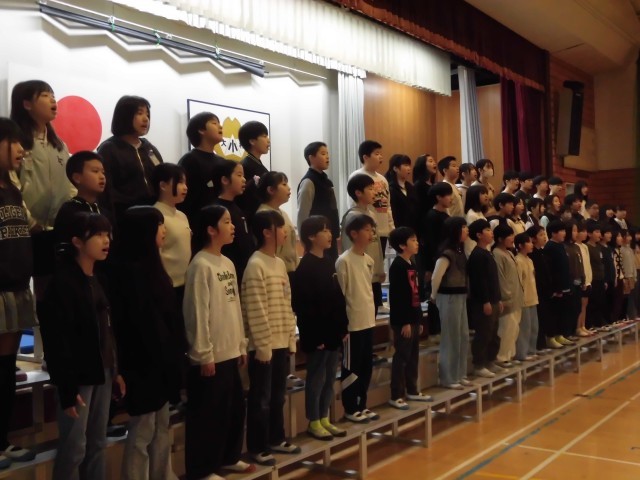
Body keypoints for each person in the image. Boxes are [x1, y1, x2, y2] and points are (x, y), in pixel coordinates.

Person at [41, 212, 123, 480]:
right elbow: (56, 341)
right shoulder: (62, 284)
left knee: (97, 443)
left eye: (107, 234)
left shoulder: (100, 279)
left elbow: (108, 329)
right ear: (77, 241)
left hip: (104, 370)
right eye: (98, 235)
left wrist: (116, 369)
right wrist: (66, 386)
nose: (106, 240)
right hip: (78, 376)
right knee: (74, 447)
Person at [109, 206, 185, 480]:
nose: (163, 230)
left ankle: (163, 475)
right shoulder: (128, 272)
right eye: (158, 225)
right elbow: (133, 325)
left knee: (161, 426)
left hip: (161, 362)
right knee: (142, 431)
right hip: (141, 364)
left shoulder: (154, 267)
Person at [182, 205, 254, 480]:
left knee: (234, 409)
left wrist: (241, 344)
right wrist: (203, 354)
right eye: (226, 222)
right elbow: (197, 312)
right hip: (211, 355)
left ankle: (229, 457)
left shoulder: (228, 263)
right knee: (207, 415)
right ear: (211, 229)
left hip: (230, 351)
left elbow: (234, 307)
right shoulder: (200, 265)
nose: (233, 226)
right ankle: (202, 470)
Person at [242, 210, 299, 465]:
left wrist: (290, 339)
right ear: (267, 232)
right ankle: (258, 446)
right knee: (261, 399)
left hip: (280, 342)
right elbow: (255, 309)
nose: (285, 232)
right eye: (281, 227)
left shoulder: (279, 264)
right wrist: (263, 347)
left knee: (278, 396)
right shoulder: (255, 264)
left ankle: (277, 438)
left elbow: (287, 304)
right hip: (263, 347)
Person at [0, 118, 37, 469]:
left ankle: (3, 440)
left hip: (16, 289)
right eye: (14, 142)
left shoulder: (12, 187)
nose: (21, 150)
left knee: (5, 368)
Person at [10, 80, 74, 276]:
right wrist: (29, 221)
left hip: (57, 228)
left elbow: (70, 183)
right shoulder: (17, 143)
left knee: (53, 282)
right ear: (27, 104)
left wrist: (71, 213)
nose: (53, 100)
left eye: (53, 96)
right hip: (25, 230)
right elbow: (11, 184)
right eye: (45, 96)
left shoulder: (59, 145)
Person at [292, 216, 348, 439]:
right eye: (324, 230)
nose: (329, 234)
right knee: (316, 378)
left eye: (329, 230)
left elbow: (337, 298)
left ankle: (324, 417)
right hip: (318, 336)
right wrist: (316, 337)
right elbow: (303, 307)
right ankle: (313, 420)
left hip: (333, 333)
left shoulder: (328, 261)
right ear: (311, 236)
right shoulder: (305, 267)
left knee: (330, 377)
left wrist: (342, 328)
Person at [336, 214, 380, 420]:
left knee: (365, 365)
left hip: (368, 321)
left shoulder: (369, 260)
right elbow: (341, 294)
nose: (371, 234)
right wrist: (342, 325)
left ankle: (362, 404)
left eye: (372, 230)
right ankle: (350, 408)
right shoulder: (344, 261)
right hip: (352, 324)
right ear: (354, 234)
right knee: (351, 367)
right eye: (366, 230)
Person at [98, 96, 163, 228]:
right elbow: (105, 192)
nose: (146, 119)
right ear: (124, 116)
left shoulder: (149, 149)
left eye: (147, 114)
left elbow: (162, 178)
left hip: (153, 215)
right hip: (124, 219)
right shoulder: (109, 149)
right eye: (140, 113)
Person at [387, 227, 431, 409]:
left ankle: (412, 390)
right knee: (402, 356)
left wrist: (418, 319)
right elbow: (398, 297)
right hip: (402, 320)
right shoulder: (397, 266)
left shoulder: (411, 264)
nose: (417, 243)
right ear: (402, 245)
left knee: (413, 355)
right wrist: (405, 321)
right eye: (413, 240)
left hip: (413, 318)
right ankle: (396, 394)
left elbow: (415, 294)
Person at [430, 217, 471, 389]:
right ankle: (448, 377)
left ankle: (460, 374)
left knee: (463, 336)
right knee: (451, 337)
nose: (466, 230)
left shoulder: (460, 251)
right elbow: (436, 276)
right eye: (463, 227)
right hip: (448, 297)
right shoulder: (447, 253)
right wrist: (433, 296)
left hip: (460, 297)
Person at [341, 174, 385, 309]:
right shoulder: (352, 216)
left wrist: (380, 268)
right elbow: (349, 246)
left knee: (373, 310)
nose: (374, 192)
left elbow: (377, 244)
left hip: (373, 271)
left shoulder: (372, 215)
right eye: (370, 189)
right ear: (358, 193)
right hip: (360, 272)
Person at [151, 163, 191, 306]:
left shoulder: (182, 216)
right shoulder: (155, 215)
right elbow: (156, 254)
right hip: (167, 285)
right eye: (180, 182)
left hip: (185, 283)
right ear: (163, 185)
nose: (185, 187)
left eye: (185, 183)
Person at [54, 151, 113, 246]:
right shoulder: (69, 211)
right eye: (95, 171)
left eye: (103, 172)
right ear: (77, 178)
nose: (102, 176)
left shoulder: (104, 211)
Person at [177, 112, 225, 228]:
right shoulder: (190, 160)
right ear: (201, 130)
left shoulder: (222, 161)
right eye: (214, 123)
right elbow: (185, 198)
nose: (220, 126)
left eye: (219, 123)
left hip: (221, 221)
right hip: (198, 223)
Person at [467, 220, 502, 378]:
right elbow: (479, 282)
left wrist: (498, 299)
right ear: (479, 235)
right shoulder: (477, 255)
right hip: (483, 302)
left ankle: (490, 360)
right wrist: (485, 301)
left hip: (493, 299)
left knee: (493, 333)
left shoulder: (487, 253)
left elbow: (493, 279)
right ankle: (479, 364)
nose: (491, 232)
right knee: (483, 333)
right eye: (487, 230)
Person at [212, 159, 255, 282]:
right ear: (225, 180)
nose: (244, 179)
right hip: (227, 274)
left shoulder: (237, 208)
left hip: (244, 272)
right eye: (239, 175)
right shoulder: (217, 210)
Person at [296, 142, 340, 259]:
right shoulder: (308, 182)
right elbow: (302, 213)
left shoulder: (326, 181)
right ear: (311, 158)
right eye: (323, 153)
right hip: (316, 239)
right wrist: (304, 240)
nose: (327, 157)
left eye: (327, 154)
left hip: (329, 235)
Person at [349, 140, 394, 253]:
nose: (380, 157)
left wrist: (391, 228)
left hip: (383, 230)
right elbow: (354, 204)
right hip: (366, 231)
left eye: (381, 154)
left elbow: (388, 206)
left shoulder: (383, 179)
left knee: (379, 261)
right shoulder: (357, 176)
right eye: (376, 153)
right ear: (365, 157)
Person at [492, 224, 524, 367]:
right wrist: (506, 296)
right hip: (507, 299)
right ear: (500, 239)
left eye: (512, 235)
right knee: (506, 329)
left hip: (516, 297)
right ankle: (501, 357)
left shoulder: (509, 253)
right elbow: (500, 278)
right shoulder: (497, 254)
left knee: (514, 329)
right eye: (509, 236)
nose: (512, 238)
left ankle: (510, 355)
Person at [256, 172, 299, 277]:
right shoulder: (263, 215)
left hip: (291, 269)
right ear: (271, 190)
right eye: (284, 184)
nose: (289, 188)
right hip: (275, 271)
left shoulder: (283, 213)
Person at [526, 225, 558, 350]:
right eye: (541, 235)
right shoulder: (532, 255)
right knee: (540, 319)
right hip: (538, 292)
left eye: (544, 234)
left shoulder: (542, 252)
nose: (544, 237)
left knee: (547, 316)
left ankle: (546, 341)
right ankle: (539, 345)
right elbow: (537, 276)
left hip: (547, 291)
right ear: (533, 239)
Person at [544, 220, 575, 346]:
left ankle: (560, 334)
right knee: (554, 313)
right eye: (561, 231)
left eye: (564, 230)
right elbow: (551, 270)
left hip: (565, 285)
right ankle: (551, 337)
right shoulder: (549, 247)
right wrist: (555, 289)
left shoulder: (561, 246)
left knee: (563, 312)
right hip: (556, 288)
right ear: (553, 233)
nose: (564, 233)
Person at [236, 121, 270, 223]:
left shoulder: (256, 164)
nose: (268, 140)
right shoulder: (245, 166)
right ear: (252, 141)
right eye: (264, 136)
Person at [420, 182, 452, 284]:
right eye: (448, 195)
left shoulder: (445, 216)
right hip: (435, 260)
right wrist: (429, 268)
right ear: (438, 197)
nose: (451, 198)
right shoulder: (432, 216)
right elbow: (429, 243)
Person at [514, 232, 539, 361]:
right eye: (528, 242)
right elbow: (518, 282)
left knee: (534, 327)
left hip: (533, 297)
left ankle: (531, 350)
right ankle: (522, 353)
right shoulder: (518, 261)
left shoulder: (529, 260)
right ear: (520, 245)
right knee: (525, 328)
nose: (531, 244)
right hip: (523, 300)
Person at [386, 154, 419, 234]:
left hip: (412, 229)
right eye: (405, 165)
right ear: (395, 168)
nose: (409, 168)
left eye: (409, 165)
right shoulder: (390, 188)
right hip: (398, 230)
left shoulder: (410, 187)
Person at [563, 221, 584, 339]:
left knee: (577, 308)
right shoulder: (564, 247)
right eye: (574, 230)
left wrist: (583, 279)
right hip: (570, 283)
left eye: (577, 230)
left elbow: (580, 264)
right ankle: (568, 333)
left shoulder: (576, 247)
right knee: (569, 309)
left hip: (578, 282)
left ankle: (574, 331)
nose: (576, 233)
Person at [585, 224, 606, 330]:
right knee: (592, 304)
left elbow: (601, 263)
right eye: (596, 232)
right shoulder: (587, 247)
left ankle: (598, 325)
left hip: (601, 278)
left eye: (599, 232)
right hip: (593, 279)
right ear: (589, 234)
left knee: (600, 303)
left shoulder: (598, 247)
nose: (599, 234)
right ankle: (589, 325)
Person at [575, 223, 592, 336]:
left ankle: (583, 325)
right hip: (581, 281)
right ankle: (578, 327)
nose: (585, 234)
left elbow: (588, 264)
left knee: (585, 304)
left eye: (586, 231)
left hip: (588, 280)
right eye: (583, 231)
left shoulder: (585, 246)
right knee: (580, 305)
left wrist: (589, 279)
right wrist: (583, 280)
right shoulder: (575, 246)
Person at [464, 184, 490, 256]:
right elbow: (472, 239)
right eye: (482, 193)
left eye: (486, 193)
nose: (486, 196)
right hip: (475, 252)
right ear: (474, 196)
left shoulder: (479, 212)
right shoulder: (472, 215)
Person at [609, 230, 625, 323]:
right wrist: (615, 278)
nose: (621, 238)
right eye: (618, 236)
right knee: (615, 301)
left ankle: (617, 319)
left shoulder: (619, 249)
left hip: (621, 277)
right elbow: (613, 265)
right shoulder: (612, 250)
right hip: (615, 278)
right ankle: (613, 320)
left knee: (620, 300)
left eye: (621, 236)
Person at [621, 230, 637, 320]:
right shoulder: (621, 249)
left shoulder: (630, 249)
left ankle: (631, 316)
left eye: (629, 236)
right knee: (625, 298)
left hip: (631, 276)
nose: (629, 238)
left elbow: (633, 263)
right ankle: (626, 316)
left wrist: (634, 276)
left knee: (631, 297)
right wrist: (624, 276)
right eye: (627, 236)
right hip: (625, 276)